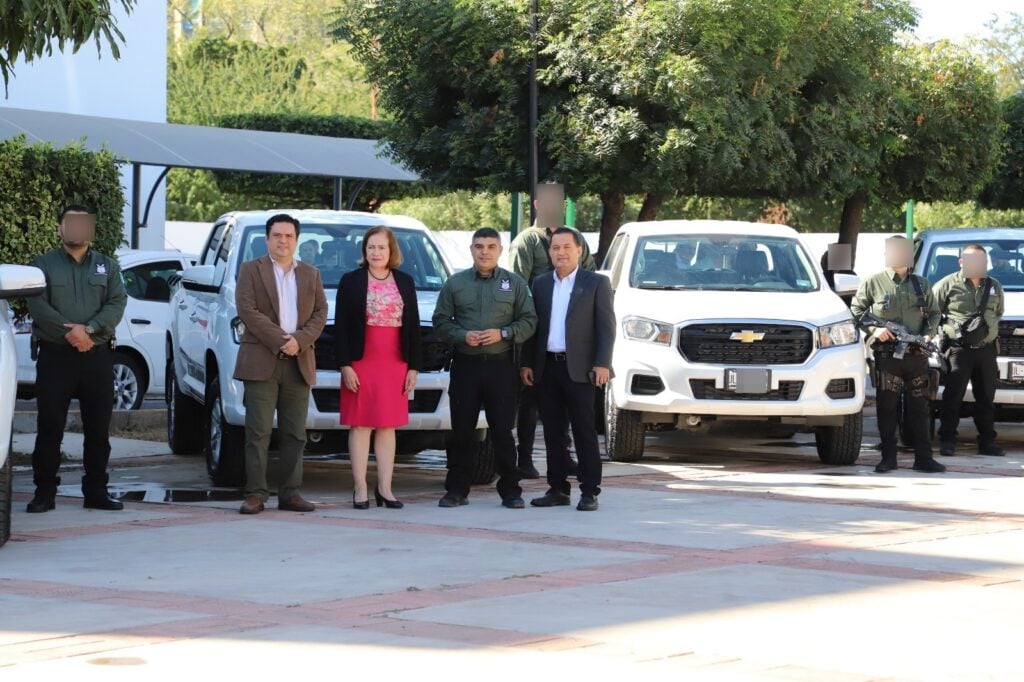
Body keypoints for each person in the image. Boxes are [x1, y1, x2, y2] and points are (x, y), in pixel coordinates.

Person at [25, 205, 127, 513]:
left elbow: (117, 302)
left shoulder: (107, 267)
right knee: (50, 427)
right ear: (60, 229)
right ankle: (44, 492)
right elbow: (37, 305)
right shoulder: (42, 266)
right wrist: (72, 334)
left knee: (98, 429)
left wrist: (90, 330)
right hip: (56, 357)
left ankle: (96, 491)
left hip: (96, 357)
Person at [432, 227, 537, 508]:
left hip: (501, 367)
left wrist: (503, 333)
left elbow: (529, 321)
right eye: (479, 246)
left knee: (502, 430)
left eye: (491, 246)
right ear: (471, 249)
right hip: (465, 366)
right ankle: (456, 489)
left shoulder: (514, 284)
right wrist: (461, 335)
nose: (485, 252)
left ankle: (511, 490)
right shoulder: (455, 284)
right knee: (461, 430)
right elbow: (440, 322)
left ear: (500, 250)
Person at [234, 214, 328, 515]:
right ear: (267, 239)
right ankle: (255, 494)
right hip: (261, 359)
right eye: (277, 235)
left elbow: (321, 313)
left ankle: (290, 493)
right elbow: (247, 310)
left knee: (294, 433)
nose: (283, 240)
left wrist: (299, 340)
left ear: (296, 240)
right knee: (258, 432)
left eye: (288, 236)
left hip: (298, 362)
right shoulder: (250, 270)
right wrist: (281, 340)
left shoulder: (311, 274)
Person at [522, 228, 615, 511]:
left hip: (582, 370)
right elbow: (533, 329)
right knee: (552, 432)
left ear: (579, 251)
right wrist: (527, 363)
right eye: (555, 248)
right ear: (549, 252)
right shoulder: (539, 284)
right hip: (547, 368)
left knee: (585, 431)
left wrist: (603, 363)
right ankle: (557, 488)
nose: (560, 253)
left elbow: (606, 327)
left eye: (566, 247)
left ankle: (590, 491)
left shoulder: (596, 283)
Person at [508, 182, 593, 479]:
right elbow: (518, 287)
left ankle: (565, 456)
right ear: (536, 205)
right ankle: (525, 457)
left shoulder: (575, 238)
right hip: (537, 330)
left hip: (570, 334)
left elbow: (589, 275)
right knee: (530, 400)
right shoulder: (526, 241)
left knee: (566, 401)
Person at [335, 226, 421, 509]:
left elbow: (413, 327)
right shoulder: (351, 281)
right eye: (371, 247)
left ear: (391, 250)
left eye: (381, 247)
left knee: (387, 426)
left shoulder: (405, 281)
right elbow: (342, 328)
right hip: (361, 360)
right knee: (360, 425)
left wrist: (413, 367)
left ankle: (385, 488)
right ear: (364, 250)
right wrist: (345, 364)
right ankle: (360, 488)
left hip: (395, 360)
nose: (376, 252)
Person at [850, 235, 946, 474]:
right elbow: (856, 310)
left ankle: (924, 458)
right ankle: (888, 458)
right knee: (887, 408)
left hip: (915, 355)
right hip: (888, 356)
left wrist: (928, 334)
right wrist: (875, 329)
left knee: (920, 408)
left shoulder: (921, 284)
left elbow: (934, 314)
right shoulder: (874, 282)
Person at [933, 244, 1005, 457]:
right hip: (958, 351)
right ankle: (947, 440)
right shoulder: (947, 285)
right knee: (953, 397)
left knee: (986, 399)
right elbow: (933, 313)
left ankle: (986, 442)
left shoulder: (994, 286)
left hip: (986, 350)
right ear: (961, 262)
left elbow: (998, 312)